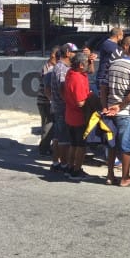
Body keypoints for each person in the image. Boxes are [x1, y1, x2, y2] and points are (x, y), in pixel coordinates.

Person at [102, 40, 130, 187]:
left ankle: (109, 175)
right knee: (127, 146)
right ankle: (125, 178)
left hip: (110, 110)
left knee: (112, 144)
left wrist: (105, 106)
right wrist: (120, 106)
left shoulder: (113, 63)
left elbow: (104, 86)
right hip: (125, 112)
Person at [49, 43, 79, 174]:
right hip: (63, 107)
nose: (76, 55)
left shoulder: (61, 67)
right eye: (74, 52)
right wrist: (69, 103)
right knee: (64, 139)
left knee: (58, 136)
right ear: (67, 52)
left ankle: (56, 163)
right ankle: (64, 165)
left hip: (59, 107)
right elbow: (63, 88)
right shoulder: (62, 69)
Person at [64, 52, 93, 180]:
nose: (88, 65)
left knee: (74, 144)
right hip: (79, 117)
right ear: (81, 65)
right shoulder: (77, 78)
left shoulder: (71, 73)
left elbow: (89, 71)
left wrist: (91, 61)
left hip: (70, 115)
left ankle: (70, 167)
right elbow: (81, 102)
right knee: (80, 145)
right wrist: (92, 99)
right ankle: (76, 170)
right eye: (86, 63)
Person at [37, 45, 60, 156]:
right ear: (53, 55)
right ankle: (44, 148)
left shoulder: (53, 67)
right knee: (48, 125)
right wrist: (52, 100)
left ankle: (47, 147)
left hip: (47, 101)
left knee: (50, 125)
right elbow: (47, 88)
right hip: (45, 102)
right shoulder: (48, 68)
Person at [97, 28, 123, 107]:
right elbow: (120, 55)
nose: (123, 37)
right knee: (105, 104)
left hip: (106, 77)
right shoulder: (110, 45)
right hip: (104, 77)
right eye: (122, 35)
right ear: (118, 36)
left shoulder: (108, 44)